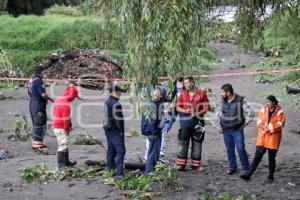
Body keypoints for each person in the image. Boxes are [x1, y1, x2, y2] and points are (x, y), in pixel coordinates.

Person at [240, 95, 286, 182]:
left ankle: (270, 176)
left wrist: (266, 128)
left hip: (273, 139)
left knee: (271, 158)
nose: (267, 103)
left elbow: (279, 125)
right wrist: (268, 128)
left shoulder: (280, 112)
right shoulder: (263, 110)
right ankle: (248, 174)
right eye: (266, 102)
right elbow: (259, 121)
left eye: (268, 102)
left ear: (273, 102)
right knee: (257, 157)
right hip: (263, 138)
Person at [216, 83, 254, 176]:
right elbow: (217, 115)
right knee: (229, 150)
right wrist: (219, 127)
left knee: (240, 148)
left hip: (237, 130)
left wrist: (245, 124)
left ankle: (246, 168)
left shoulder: (241, 100)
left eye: (223, 92)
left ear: (228, 92)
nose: (221, 94)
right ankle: (232, 167)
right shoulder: (222, 102)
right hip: (226, 130)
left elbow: (251, 111)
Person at [176, 77, 209, 171]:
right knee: (183, 142)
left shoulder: (201, 93)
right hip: (185, 122)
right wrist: (185, 110)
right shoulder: (182, 94)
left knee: (197, 141)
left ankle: (196, 165)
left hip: (198, 121)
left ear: (192, 83)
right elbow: (178, 107)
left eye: (187, 83)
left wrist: (198, 113)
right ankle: (181, 164)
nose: (185, 85)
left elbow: (206, 107)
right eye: (184, 84)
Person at [52, 85, 81, 170]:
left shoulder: (59, 99)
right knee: (63, 145)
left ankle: (66, 162)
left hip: (56, 125)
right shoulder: (66, 104)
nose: (74, 99)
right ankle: (61, 165)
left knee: (65, 144)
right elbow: (66, 119)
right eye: (74, 96)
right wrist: (67, 129)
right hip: (61, 127)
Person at [103, 84, 126, 179]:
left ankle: (110, 170)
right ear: (116, 92)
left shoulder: (107, 101)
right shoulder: (116, 104)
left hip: (107, 129)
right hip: (115, 130)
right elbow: (119, 119)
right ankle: (119, 173)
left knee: (111, 150)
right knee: (120, 151)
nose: (121, 94)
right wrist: (121, 132)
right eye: (120, 92)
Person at [28, 65, 54, 149]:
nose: (45, 74)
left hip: (32, 103)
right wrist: (51, 99)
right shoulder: (39, 81)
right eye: (44, 72)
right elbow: (43, 94)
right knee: (40, 122)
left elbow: (29, 92)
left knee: (35, 122)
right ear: (41, 72)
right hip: (38, 104)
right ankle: (37, 142)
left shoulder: (31, 80)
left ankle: (34, 140)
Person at [141, 87, 165, 175]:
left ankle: (151, 171)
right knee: (152, 153)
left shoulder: (152, 104)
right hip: (153, 132)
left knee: (155, 152)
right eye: (158, 94)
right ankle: (149, 172)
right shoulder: (153, 106)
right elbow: (151, 122)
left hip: (152, 131)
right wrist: (154, 132)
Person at [160, 77, 184, 158]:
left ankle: (182, 146)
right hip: (173, 107)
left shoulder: (187, 83)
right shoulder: (172, 83)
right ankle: (162, 137)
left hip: (183, 108)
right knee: (170, 122)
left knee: (183, 124)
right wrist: (170, 103)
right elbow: (168, 96)